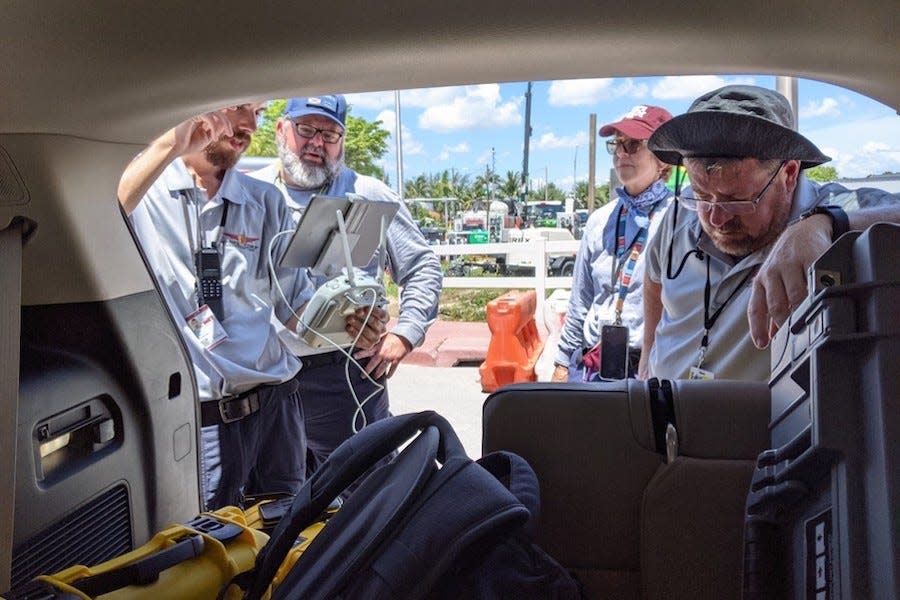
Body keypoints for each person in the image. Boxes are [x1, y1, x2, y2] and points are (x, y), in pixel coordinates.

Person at [117, 103, 387, 509]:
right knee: (212, 543)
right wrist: (168, 145)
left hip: (277, 410)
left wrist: (347, 321)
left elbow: (293, 310)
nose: (248, 125)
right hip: (206, 416)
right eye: (238, 106)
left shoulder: (265, 201)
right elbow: (98, 214)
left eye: (258, 112)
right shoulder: (146, 190)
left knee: (282, 534)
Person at [639, 85, 900, 381]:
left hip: (759, 425)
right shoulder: (679, 215)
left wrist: (824, 223)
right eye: (700, 194)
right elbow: (654, 279)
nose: (715, 217)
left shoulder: (837, 209)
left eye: (735, 199)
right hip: (660, 417)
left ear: (788, 174)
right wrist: (647, 355)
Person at [250, 95, 442, 475]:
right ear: (281, 128)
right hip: (265, 376)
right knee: (278, 500)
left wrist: (405, 334)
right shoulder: (251, 193)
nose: (316, 142)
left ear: (342, 141)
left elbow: (422, 264)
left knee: (366, 493)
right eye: (306, 129)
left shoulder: (368, 194)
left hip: (345, 374)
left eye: (330, 134)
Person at [552, 105, 674, 382]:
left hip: (650, 370)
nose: (621, 154)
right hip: (591, 365)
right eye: (617, 145)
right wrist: (562, 363)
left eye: (632, 145)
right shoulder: (600, 220)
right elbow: (580, 300)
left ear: (664, 159)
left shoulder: (680, 219)